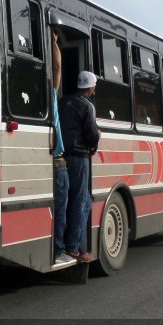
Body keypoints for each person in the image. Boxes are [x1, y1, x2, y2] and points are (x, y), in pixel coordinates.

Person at [59, 70, 101, 262]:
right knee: (82, 201)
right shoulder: (88, 106)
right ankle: (73, 247)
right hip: (79, 157)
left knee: (65, 201)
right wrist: (98, 136)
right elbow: (92, 135)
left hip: (61, 156)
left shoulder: (63, 101)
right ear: (91, 88)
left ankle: (65, 244)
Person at [50, 30, 75, 265]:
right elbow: (57, 68)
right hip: (58, 163)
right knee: (61, 211)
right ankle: (58, 250)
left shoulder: (40, 101)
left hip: (48, 161)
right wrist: (54, 43)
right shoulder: (51, 98)